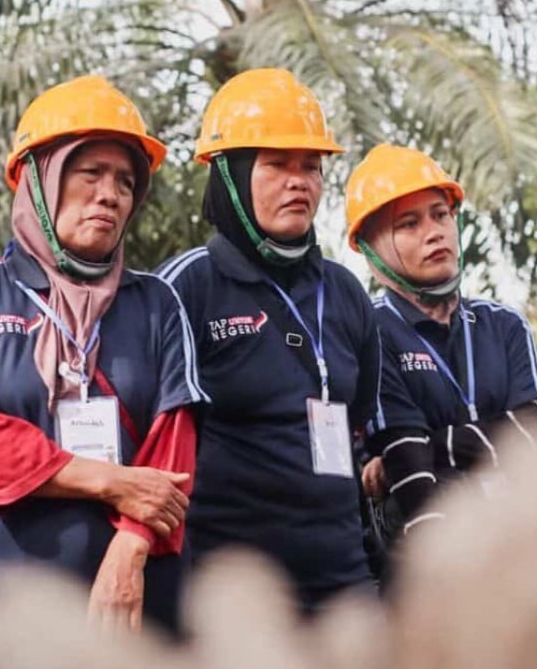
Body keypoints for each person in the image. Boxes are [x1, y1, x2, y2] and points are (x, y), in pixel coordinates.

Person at [0, 75, 208, 639]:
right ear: (38, 178)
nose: (110, 194)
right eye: (90, 173)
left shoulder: (156, 303)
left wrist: (129, 551)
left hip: (134, 613)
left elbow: (174, 445)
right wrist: (114, 483)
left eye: (125, 181)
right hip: (5, 610)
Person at [158, 68, 382, 613]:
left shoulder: (346, 292)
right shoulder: (185, 286)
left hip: (342, 586)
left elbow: (360, 420)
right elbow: (149, 440)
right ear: (232, 175)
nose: (298, 181)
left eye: (311, 166)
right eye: (277, 164)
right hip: (228, 595)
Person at [346, 144, 537, 547]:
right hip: (427, 560)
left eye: (441, 214)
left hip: (528, 549)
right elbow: (409, 464)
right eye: (409, 223)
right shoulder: (370, 332)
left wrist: (432, 444)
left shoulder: (505, 325)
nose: (434, 232)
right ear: (371, 248)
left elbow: (532, 433)